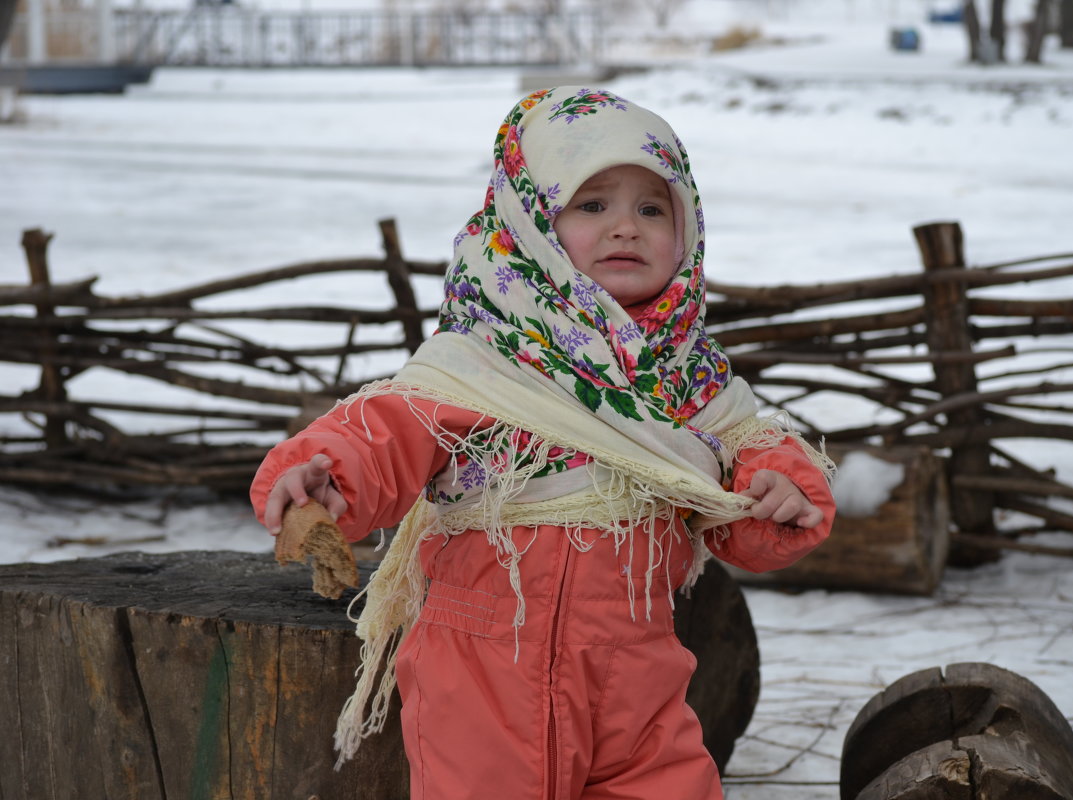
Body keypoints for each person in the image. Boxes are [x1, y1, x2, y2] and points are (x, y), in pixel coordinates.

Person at [250, 86, 836, 800]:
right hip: (484, 664)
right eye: (591, 206)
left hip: (636, 669)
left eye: (652, 208)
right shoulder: (486, 357)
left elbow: (744, 471)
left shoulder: (687, 377)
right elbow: (388, 431)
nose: (626, 226)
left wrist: (781, 495)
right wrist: (325, 476)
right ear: (527, 223)